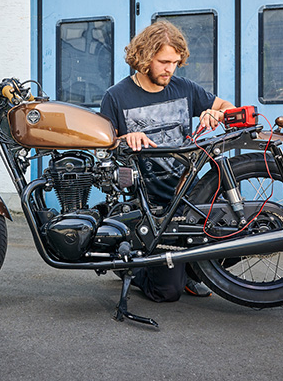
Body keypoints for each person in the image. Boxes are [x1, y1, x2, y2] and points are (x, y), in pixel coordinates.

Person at [100, 21, 235, 302]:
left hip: (190, 195)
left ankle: (191, 271)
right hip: (151, 207)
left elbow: (227, 107)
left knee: (239, 232)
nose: (170, 69)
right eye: (163, 62)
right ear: (144, 57)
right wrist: (125, 138)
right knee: (167, 292)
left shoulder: (184, 88)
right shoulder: (116, 96)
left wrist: (217, 113)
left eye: (175, 62)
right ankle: (128, 267)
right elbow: (104, 149)